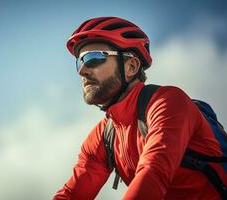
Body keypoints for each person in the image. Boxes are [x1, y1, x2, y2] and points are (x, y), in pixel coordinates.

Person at [53, 16, 227, 200]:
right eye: (80, 62)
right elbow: (72, 194)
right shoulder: (104, 136)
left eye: (93, 58)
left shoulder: (168, 103)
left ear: (131, 66)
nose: (82, 71)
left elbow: (153, 172)